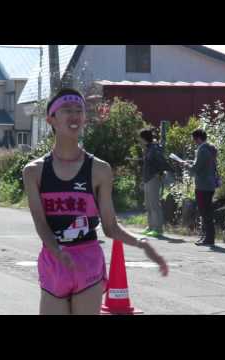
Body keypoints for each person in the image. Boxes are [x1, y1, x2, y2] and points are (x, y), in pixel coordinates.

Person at [23, 88, 168, 315]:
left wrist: (141, 243)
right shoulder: (34, 172)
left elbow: (110, 227)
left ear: (84, 118)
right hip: (54, 263)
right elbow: (40, 223)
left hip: (87, 263)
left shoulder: (99, 169)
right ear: (51, 118)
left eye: (79, 110)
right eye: (66, 110)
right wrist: (57, 251)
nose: (74, 116)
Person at [184, 129, 218, 246]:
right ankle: (206, 236)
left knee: (204, 212)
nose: (194, 142)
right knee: (206, 211)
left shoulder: (202, 150)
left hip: (203, 185)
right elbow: (203, 164)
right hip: (210, 184)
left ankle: (208, 238)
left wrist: (186, 165)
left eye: (194, 139)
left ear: (198, 138)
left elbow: (196, 168)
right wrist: (191, 162)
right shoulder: (210, 148)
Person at [139, 128, 174, 238]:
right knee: (148, 204)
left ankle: (158, 229)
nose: (139, 140)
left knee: (154, 204)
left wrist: (160, 173)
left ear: (144, 138)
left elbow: (161, 162)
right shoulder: (148, 148)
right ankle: (150, 226)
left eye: (140, 138)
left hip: (153, 178)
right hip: (147, 178)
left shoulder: (154, 148)